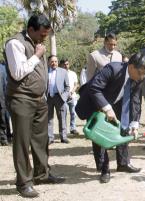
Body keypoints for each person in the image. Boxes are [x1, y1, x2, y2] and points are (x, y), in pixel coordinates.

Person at [4, 14, 64, 198]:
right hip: (21, 98)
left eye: (46, 35)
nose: (44, 38)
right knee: (22, 142)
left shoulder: (37, 43)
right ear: (31, 30)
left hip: (40, 99)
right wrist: (37, 55)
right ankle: (24, 183)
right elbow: (18, 72)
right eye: (42, 34)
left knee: (41, 139)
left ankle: (41, 174)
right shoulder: (15, 43)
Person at [75, 52, 145, 183]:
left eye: (144, 74)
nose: (142, 77)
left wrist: (135, 123)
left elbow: (136, 100)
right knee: (101, 134)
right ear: (131, 67)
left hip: (118, 101)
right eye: (140, 73)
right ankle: (104, 169)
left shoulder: (139, 77)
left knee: (124, 127)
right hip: (97, 101)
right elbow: (94, 88)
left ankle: (123, 163)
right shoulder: (113, 69)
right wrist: (107, 108)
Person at [47, 55, 70, 144]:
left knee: (62, 118)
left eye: (55, 61)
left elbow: (67, 87)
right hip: (48, 97)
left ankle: (63, 137)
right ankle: (50, 138)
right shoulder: (45, 72)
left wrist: (64, 97)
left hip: (59, 98)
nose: (54, 63)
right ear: (49, 62)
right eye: (52, 62)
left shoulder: (63, 71)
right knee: (49, 118)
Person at [60, 58, 79, 135]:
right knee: (63, 114)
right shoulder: (59, 74)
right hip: (63, 97)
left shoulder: (73, 73)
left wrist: (71, 92)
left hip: (72, 96)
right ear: (61, 65)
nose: (66, 66)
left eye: (67, 64)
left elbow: (76, 84)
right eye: (64, 64)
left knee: (73, 113)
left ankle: (73, 128)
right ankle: (63, 130)